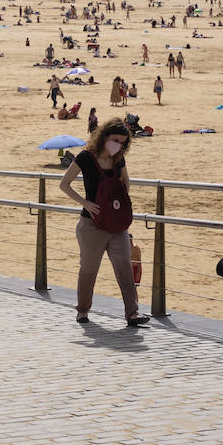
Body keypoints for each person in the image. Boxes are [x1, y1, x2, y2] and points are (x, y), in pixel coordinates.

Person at [58, 119, 149, 329]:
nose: (117, 145)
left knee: (125, 267)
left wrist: (121, 200)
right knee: (89, 269)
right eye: (115, 140)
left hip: (117, 225)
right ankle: (82, 311)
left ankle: (132, 313)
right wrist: (85, 203)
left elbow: (126, 181)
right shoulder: (85, 158)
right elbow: (65, 184)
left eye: (122, 142)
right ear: (104, 137)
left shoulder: (119, 159)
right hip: (91, 225)